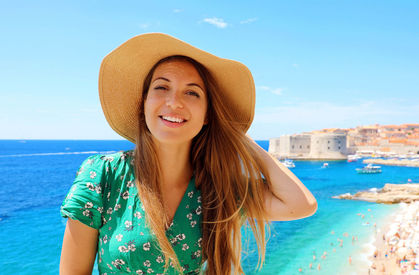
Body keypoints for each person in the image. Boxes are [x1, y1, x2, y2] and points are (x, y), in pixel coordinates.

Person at [59, 33, 317, 275]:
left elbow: (301, 205)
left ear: (207, 116)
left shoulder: (217, 188)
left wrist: (236, 134)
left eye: (192, 93)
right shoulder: (104, 175)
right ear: (143, 104)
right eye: (161, 87)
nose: (174, 102)